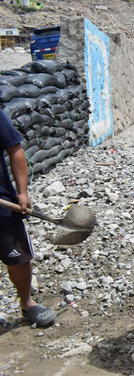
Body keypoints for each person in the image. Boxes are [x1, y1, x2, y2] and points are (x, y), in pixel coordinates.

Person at [0, 109, 56, 327]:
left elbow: (15, 149)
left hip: (3, 208)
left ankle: (27, 303)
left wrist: (22, 192)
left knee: (19, 258)